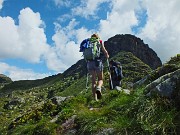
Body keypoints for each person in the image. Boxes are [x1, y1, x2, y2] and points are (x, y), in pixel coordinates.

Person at [80, 33, 109, 100]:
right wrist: (107, 55)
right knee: (100, 79)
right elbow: (105, 51)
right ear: (97, 37)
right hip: (97, 62)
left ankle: (95, 99)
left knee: (93, 81)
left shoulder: (87, 42)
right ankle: (99, 88)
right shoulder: (99, 41)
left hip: (89, 63)